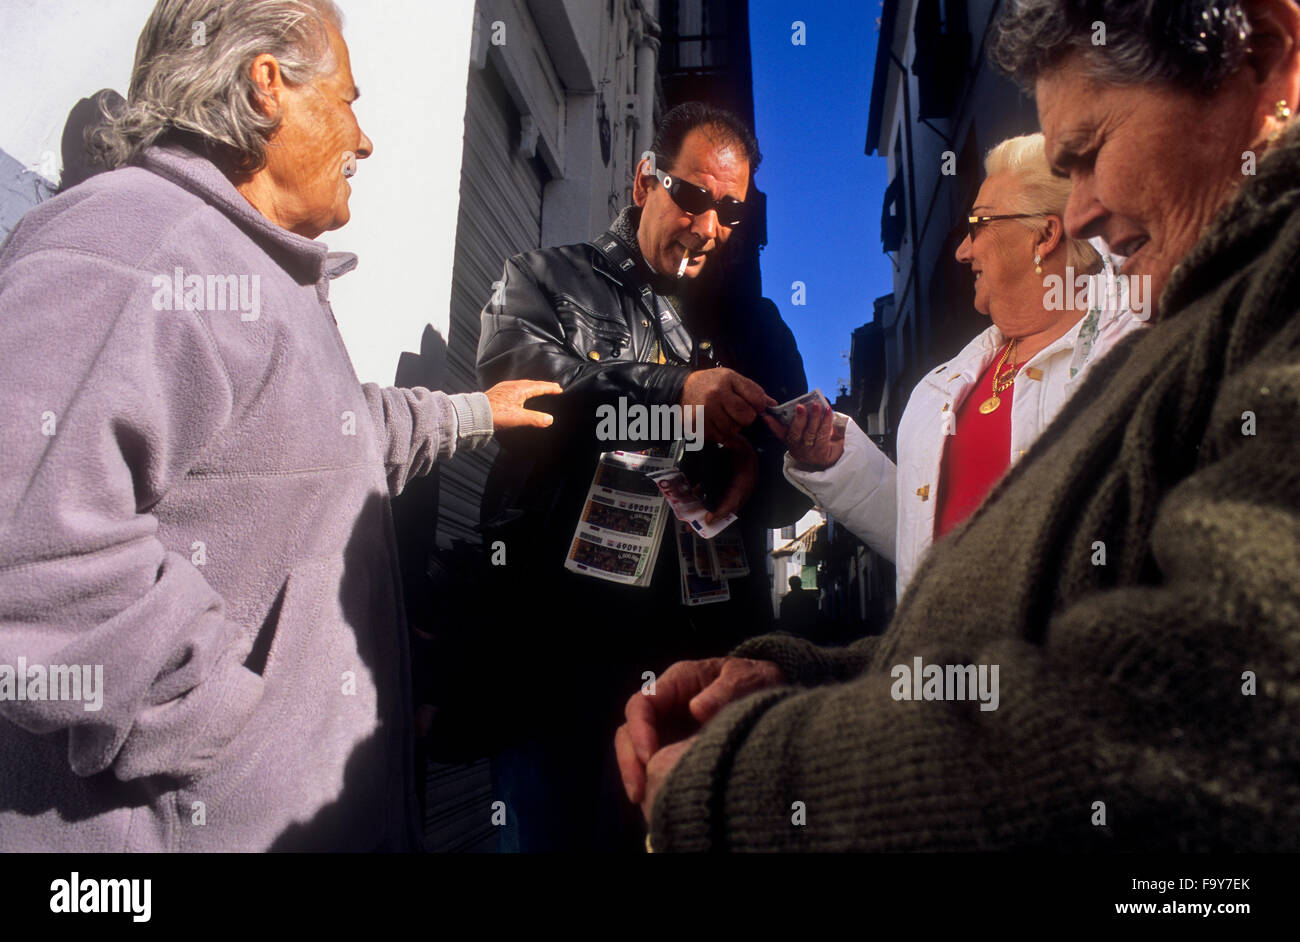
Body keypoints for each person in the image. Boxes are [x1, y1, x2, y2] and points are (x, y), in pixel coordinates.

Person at [616, 0, 1300, 851]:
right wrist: (798, 674)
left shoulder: (1193, 329)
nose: (1085, 213)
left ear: (1264, 55)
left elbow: (1195, 702)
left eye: (1091, 151)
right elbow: (972, 606)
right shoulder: (962, 381)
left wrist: (743, 788)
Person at [0, 0, 558, 852]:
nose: (364, 139)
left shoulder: (249, 268)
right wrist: (235, 741)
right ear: (268, 86)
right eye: (349, 100)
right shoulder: (134, 241)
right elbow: (31, 556)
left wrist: (479, 412)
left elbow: (334, 434)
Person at [473, 102, 811, 851]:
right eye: (692, 196)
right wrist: (673, 393)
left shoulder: (756, 326)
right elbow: (528, 395)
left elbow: (786, 489)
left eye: (731, 211)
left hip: (697, 664)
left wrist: (779, 466)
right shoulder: (543, 279)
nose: (708, 227)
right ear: (644, 182)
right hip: (556, 659)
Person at [768, 133, 1142, 598]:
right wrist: (838, 463)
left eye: (978, 225)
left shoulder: (1131, 355)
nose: (963, 250)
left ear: (1045, 235)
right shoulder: (941, 388)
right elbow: (922, 538)